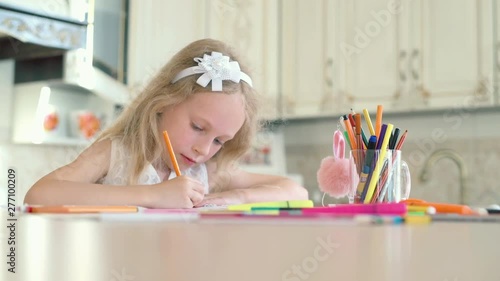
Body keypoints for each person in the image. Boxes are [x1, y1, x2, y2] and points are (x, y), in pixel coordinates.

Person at [24, 38, 308, 208]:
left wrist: (238, 197)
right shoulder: (117, 153)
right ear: (163, 103)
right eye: (198, 127)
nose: (203, 150)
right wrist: (152, 195)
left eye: (220, 141)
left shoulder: (206, 171)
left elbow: (296, 190)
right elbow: (39, 194)